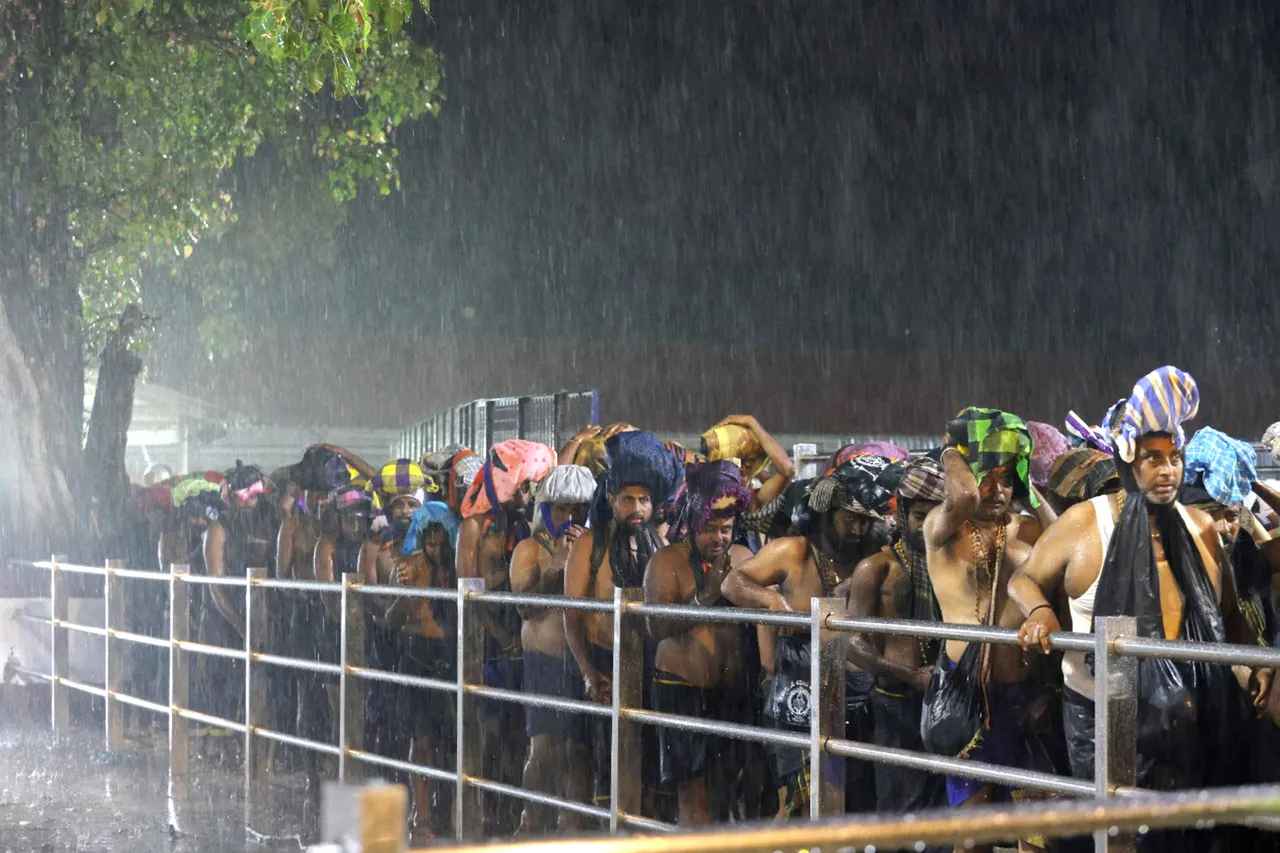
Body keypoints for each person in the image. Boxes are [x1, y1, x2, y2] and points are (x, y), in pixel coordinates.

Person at [1011, 368, 1269, 852]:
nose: (1167, 470)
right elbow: (1023, 578)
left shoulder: (1200, 529)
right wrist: (1039, 610)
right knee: (1119, 839)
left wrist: (1254, 666)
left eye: (1174, 458)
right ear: (1129, 458)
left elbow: (1229, 618)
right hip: (1101, 720)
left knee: (1187, 840)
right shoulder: (1085, 524)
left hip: (1189, 721)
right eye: (1153, 458)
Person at [721, 462, 891, 819]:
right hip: (799, 689)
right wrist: (771, 600)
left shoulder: (874, 554)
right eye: (850, 519)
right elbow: (732, 583)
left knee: (855, 810)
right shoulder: (792, 551)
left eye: (865, 521)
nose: (858, 529)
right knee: (800, 806)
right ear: (828, 513)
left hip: (861, 696)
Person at [923, 408, 1050, 853]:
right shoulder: (942, 531)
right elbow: (961, 499)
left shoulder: (1022, 531)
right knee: (972, 835)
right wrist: (952, 448)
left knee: (1035, 832)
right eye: (987, 477)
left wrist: (1029, 482)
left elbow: (1061, 541)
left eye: (1007, 478)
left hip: (1021, 696)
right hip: (967, 701)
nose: (997, 489)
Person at [565, 430, 684, 810]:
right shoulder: (589, 544)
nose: (637, 507)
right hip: (603, 668)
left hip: (649, 670)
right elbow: (573, 613)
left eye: (644, 500)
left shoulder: (661, 547)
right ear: (612, 501)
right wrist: (587, 671)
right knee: (606, 775)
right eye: (628, 499)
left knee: (649, 774)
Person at [456, 439, 558, 836]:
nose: (527, 494)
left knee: (521, 734)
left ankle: (516, 814)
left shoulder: (525, 522)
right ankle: (482, 815)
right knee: (489, 732)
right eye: (522, 486)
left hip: (518, 634)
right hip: (487, 636)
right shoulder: (474, 526)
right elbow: (468, 596)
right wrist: (500, 636)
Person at [643, 460, 754, 826]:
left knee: (728, 797)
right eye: (710, 528)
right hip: (681, 693)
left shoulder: (744, 559)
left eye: (726, 528)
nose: (719, 538)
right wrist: (704, 598)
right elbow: (656, 625)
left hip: (731, 696)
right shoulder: (667, 561)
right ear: (692, 521)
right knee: (695, 799)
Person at [843, 454, 948, 835]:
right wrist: (908, 674)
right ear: (902, 514)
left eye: (936, 515)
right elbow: (851, 642)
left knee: (943, 818)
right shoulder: (877, 568)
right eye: (920, 516)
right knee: (898, 815)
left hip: (943, 700)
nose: (928, 526)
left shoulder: (950, 564)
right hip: (895, 702)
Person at [508, 465, 596, 836]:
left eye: (578, 509)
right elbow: (524, 608)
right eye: (561, 509)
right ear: (546, 509)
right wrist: (558, 566)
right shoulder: (529, 548)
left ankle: (571, 827)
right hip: (543, 663)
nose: (569, 517)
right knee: (542, 751)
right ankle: (530, 822)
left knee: (579, 752)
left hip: (581, 663)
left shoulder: (594, 546)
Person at [386, 501, 460, 841]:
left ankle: (444, 812)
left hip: (449, 658)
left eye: (441, 539)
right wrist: (407, 595)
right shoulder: (409, 567)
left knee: (448, 742)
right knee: (423, 741)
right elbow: (391, 620)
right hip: (419, 659)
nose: (436, 545)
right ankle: (422, 816)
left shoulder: (457, 567)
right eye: (430, 539)